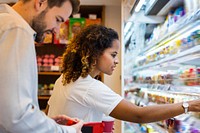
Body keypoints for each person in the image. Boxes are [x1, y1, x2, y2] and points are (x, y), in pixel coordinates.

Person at [47, 24, 200, 124]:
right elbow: (139, 115)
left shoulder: (65, 78)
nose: (117, 61)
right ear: (93, 53)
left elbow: (50, 112)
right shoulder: (89, 87)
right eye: (113, 55)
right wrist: (189, 105)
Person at [0, 0, 83, 133]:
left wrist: (42, 122)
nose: (57, 30)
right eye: (58, 19)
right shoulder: (17, 28)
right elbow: (16, 118)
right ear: (40, 3)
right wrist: (67, 131)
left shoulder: (4, 22)